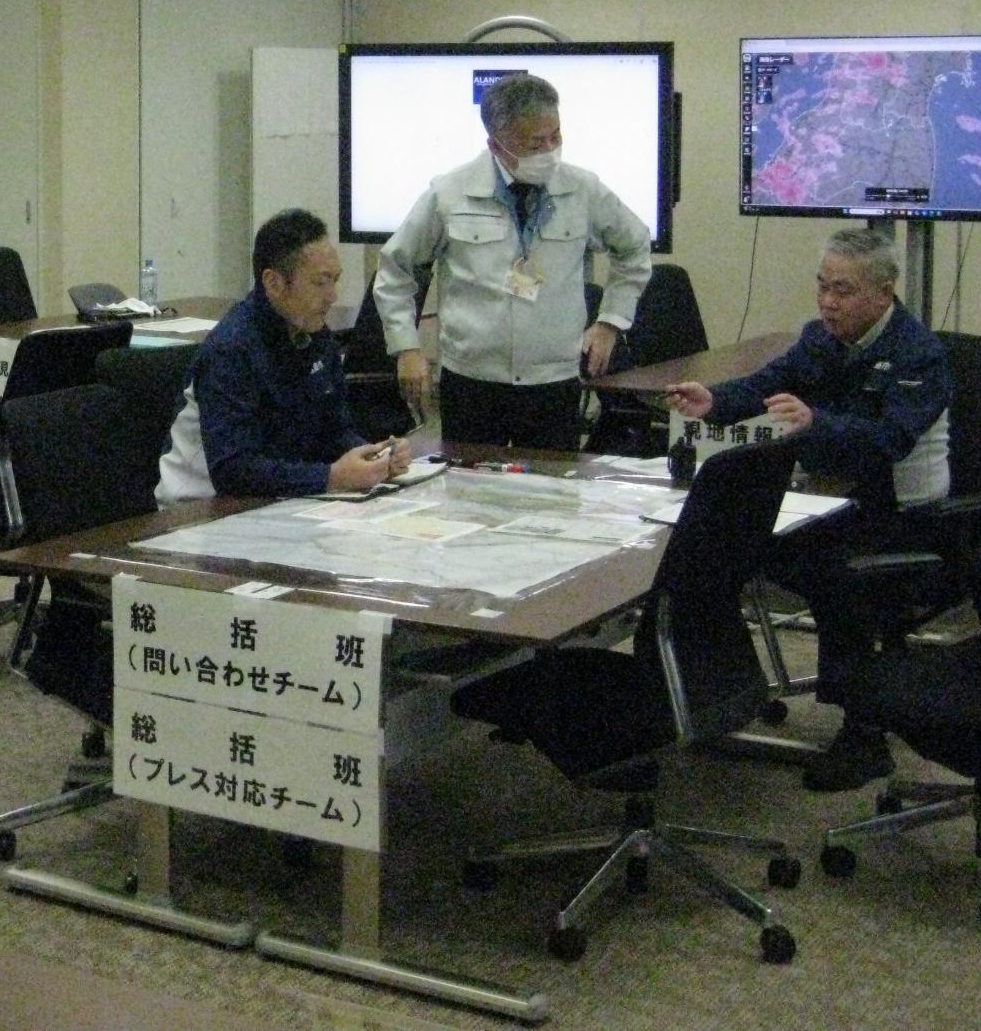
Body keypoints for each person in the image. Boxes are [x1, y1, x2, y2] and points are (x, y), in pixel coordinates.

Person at [666, 226, 950, 791]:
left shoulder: (918, 353)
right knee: (722, 546)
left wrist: (816, 423)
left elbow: (888, 440)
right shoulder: (820, 338)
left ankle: (864, 735)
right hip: (831, 500)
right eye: (822, 286)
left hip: (904, 514)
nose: (827, 301)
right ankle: (724, 693)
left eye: (843, 290)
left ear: (884, 292)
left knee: (835, 575)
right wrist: (715, 400)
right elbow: (769, 383)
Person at [375, 72, 652, 450]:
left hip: (553, 380)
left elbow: (634, 246)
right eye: (535, 143)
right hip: (472, 380)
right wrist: (406, 347)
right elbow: (395, 270)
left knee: (551, 485)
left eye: (555, 136)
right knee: (468, 484)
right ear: (496, 144)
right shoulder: (451, 193)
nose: (549, 151)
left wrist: (610, 323)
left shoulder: (582, 189)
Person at [158, 208, 410, 503]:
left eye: (335, 280)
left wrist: (373, 456)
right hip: (200, 508)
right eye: (320, 282)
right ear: (274, 283)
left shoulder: (316, 334)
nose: (333, 296)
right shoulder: (231, 350)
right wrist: (331, 478)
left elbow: (333, 431)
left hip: (279, 497)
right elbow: (233, 471)